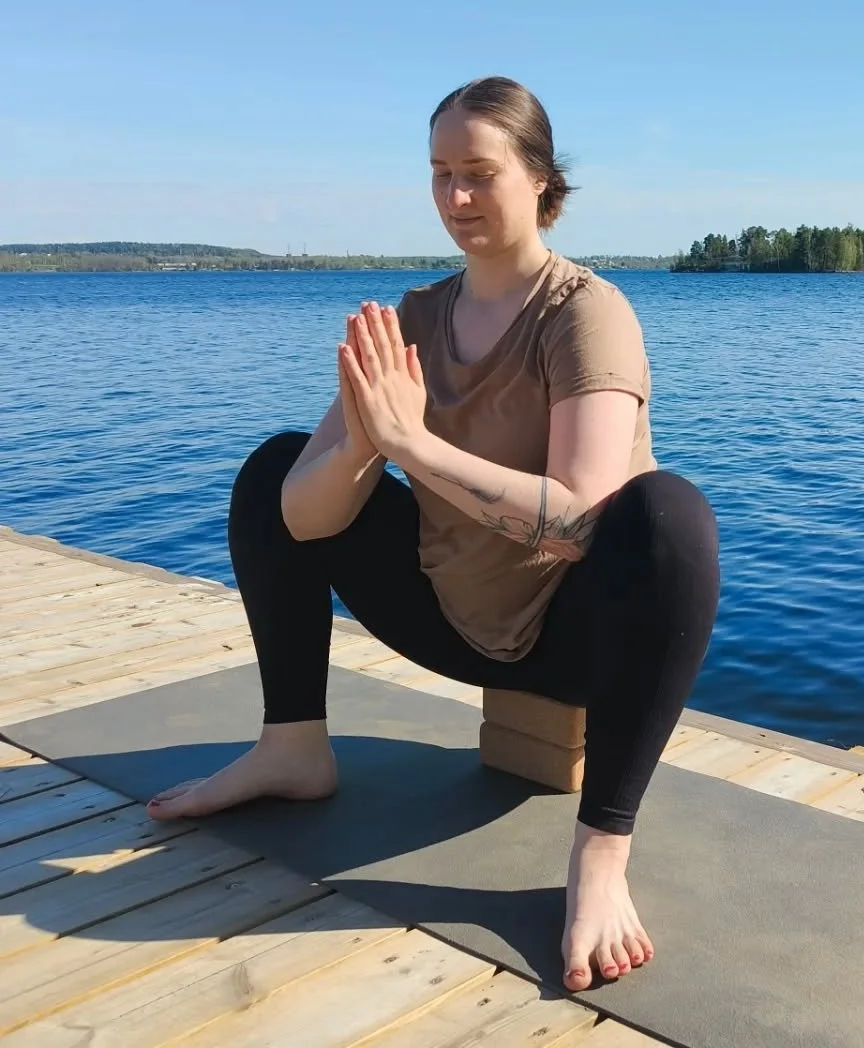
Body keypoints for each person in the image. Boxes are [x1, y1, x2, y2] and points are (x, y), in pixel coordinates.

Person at [147, 75, 722, 992]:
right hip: (443, 616)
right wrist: (367, 445)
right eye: (439, 174)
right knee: (277, 467)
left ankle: (602, 853)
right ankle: (292, 748)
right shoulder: (411, 320)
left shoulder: (584, 313)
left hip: (573, 643)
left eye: (479, 174)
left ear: (540, 179)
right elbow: (299, 518)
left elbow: (580, 517)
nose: (456, 198)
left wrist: (415, 442)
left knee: (670, 517)